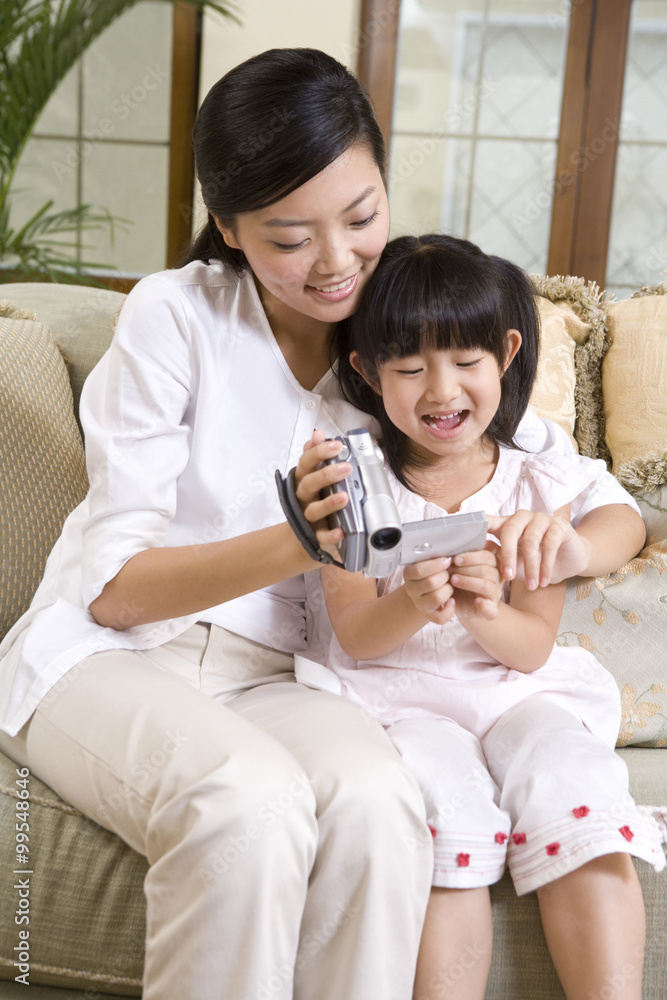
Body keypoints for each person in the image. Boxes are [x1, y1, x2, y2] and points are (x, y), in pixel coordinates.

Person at [0, 48, 645, 1000]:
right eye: (289, 237)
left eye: (360, 217)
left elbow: (589, 490)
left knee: (387, 808)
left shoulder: (400, 344)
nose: (336, 263)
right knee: (246, 804)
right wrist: (299, 538)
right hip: (111, 656)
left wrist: (572, 543)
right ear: (228, 225)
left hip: (289, 677)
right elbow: (116, 590)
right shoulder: (176, 317)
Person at [304, 234, 665, 1000]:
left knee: (574, 781)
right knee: (443, 806)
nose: (441, 392)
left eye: (465, 363)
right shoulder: (348, 483)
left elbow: (531, 648)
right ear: (368, 371)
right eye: (409, 368)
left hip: (514, 687)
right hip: (396, 702)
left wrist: (479, 610)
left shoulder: (538, 480)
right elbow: (356, 639)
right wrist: (408, 600)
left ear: (504, 354)